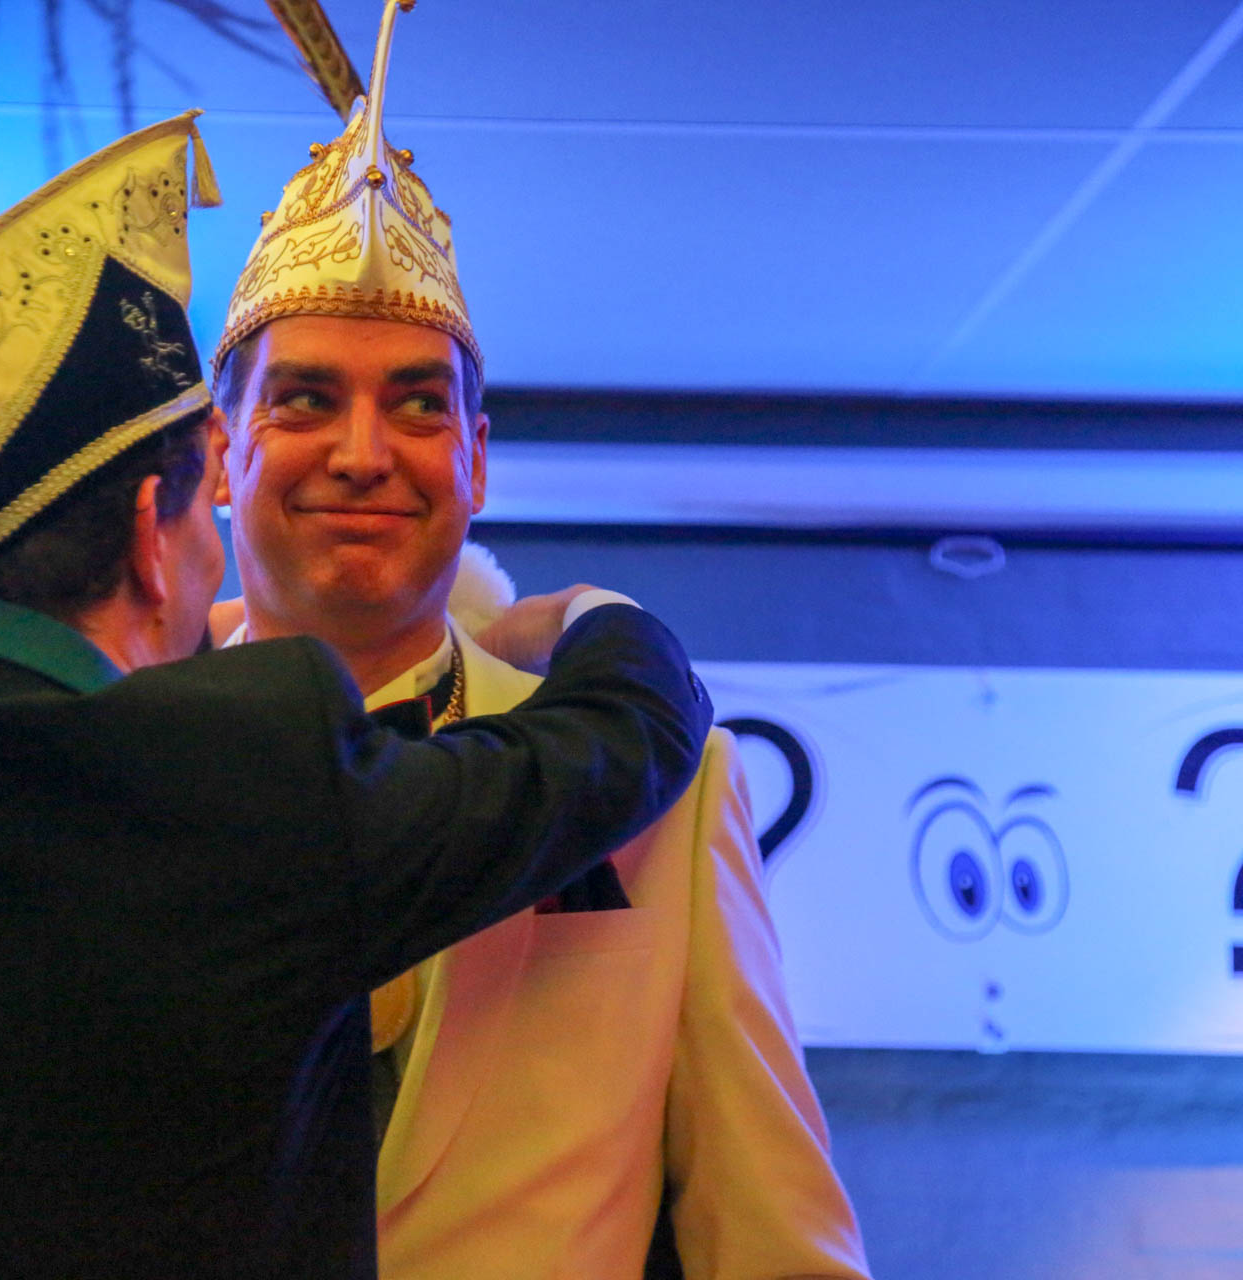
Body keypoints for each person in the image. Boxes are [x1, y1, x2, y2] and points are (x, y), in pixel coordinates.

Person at [0, 111, 715, 1280]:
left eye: (416, 404)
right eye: (197, 512)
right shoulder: (238, 777)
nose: (360, 454)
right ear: (150, 541)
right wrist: (585, 615)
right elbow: (626, 732)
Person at [209, 5, 873, 1277]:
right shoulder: (107, 764)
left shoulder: (670, 791)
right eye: (306, 399)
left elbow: (771, 1224)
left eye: (417, 405)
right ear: (218, 456)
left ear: (476, 460)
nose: (363, 452)